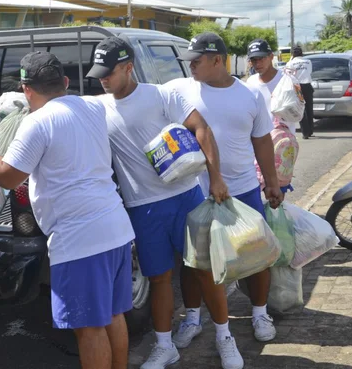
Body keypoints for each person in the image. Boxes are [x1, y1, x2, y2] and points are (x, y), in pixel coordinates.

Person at [0, 51, 136, 369]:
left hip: (80, 241)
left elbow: (7, 175)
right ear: (65, 82)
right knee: (112, 315)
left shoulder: (37, 123)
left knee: (89, 329)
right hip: (116, 229)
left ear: (26, 90)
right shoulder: (93, 106)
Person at [87, 36, 243, 369]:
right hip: (142, 208)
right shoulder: (98, 108)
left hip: (185, 198)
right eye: (99, 72)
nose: (102, 78)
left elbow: (201, 129)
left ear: (129, 67)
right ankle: (163, 345)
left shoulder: (162, 95)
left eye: (109, 72)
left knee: (204, 272)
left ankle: (224, 337)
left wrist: (215, 178)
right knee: (158, 278)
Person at [167, 32, 284, 348]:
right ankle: (192, 318)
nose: (190, 66)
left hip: (243, 189)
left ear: (217, 60)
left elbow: (262, 141)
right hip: (195, 192)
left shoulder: (250, 96)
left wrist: (271, 183)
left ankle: (259, 313)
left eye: (197, 60)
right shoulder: (178, 90)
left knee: (254, 255)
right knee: (194, 262)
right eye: (188, 60)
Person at [245, 39, 298, 194]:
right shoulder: (251, 82)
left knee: (278, 189)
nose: (257, 63)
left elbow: (298, 112)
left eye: (261, 58)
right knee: (256, 187)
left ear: (271, 56)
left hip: (280, 144)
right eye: (253, 60)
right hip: (257, 142)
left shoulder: (287, 80)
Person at [285, 46, 314, 139]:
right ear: (302, 53)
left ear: (292, 54)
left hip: (297, 87)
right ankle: (310, 130)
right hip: (308, 85)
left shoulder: (290, 63)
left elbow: (288, 75)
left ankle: (305, 132)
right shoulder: (308, 61)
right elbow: (309, 72)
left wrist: (291, 59)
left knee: (301, 109)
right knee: (309, 108)